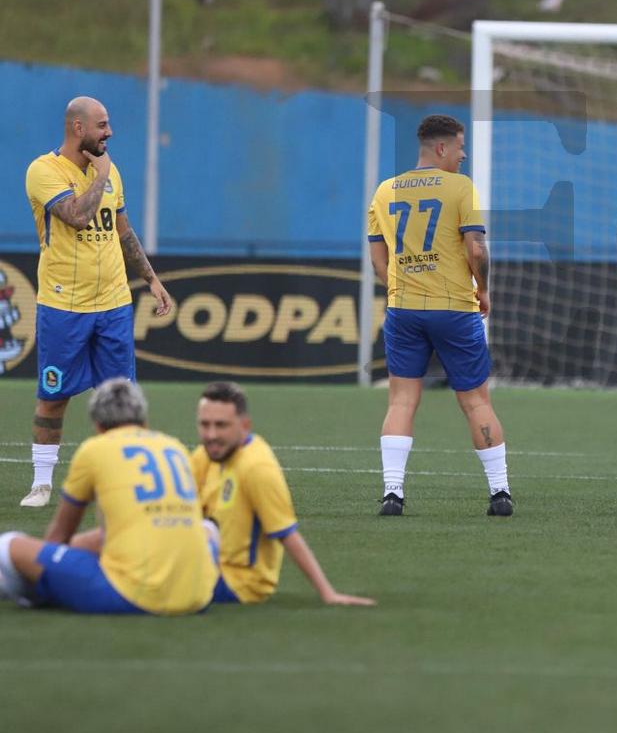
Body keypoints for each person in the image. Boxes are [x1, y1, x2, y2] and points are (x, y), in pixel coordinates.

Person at [20, 96, 172, 508]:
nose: (110, 132)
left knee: (121, 398)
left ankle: (123, 483)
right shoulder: (43, 171)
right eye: (102, 125)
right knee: (54, 395)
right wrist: (100, 175)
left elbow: (121, 230)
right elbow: (77, 216)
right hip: (63, 306)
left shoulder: (110, 170)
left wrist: (152, 279)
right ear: (78, 128)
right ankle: (41, 484)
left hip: (114, 304)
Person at [366, 114, 513, 518]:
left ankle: (392, 494)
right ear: (442, 147)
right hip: (454, 309)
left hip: (404, 309)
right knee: (476, 401)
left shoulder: (385, 190)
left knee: (401, 400)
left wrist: (401, 290)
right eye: (460, 147)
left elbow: (379, 261)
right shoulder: (459, 187)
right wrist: (483, 289)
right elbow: (476, 248)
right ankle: (500, 493)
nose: (463, 155)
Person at [0, 379, 215, 615]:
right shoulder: (175, 447)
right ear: (144, 420)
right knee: (202, 528)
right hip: (197, 596)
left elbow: (59, 535)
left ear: (98, 425)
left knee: (8, 545)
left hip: (134, 595)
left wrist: (45, 563)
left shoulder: (94, 449)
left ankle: (33, 593)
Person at [190, 382, 374, 607]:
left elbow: (287, 534)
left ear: (244, 425)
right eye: (205, 424)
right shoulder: (205, 455)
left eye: (221, 425)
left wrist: (328, 593)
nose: (211, 435)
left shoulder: (256, 468)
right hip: (209, 562)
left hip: (238, 583)